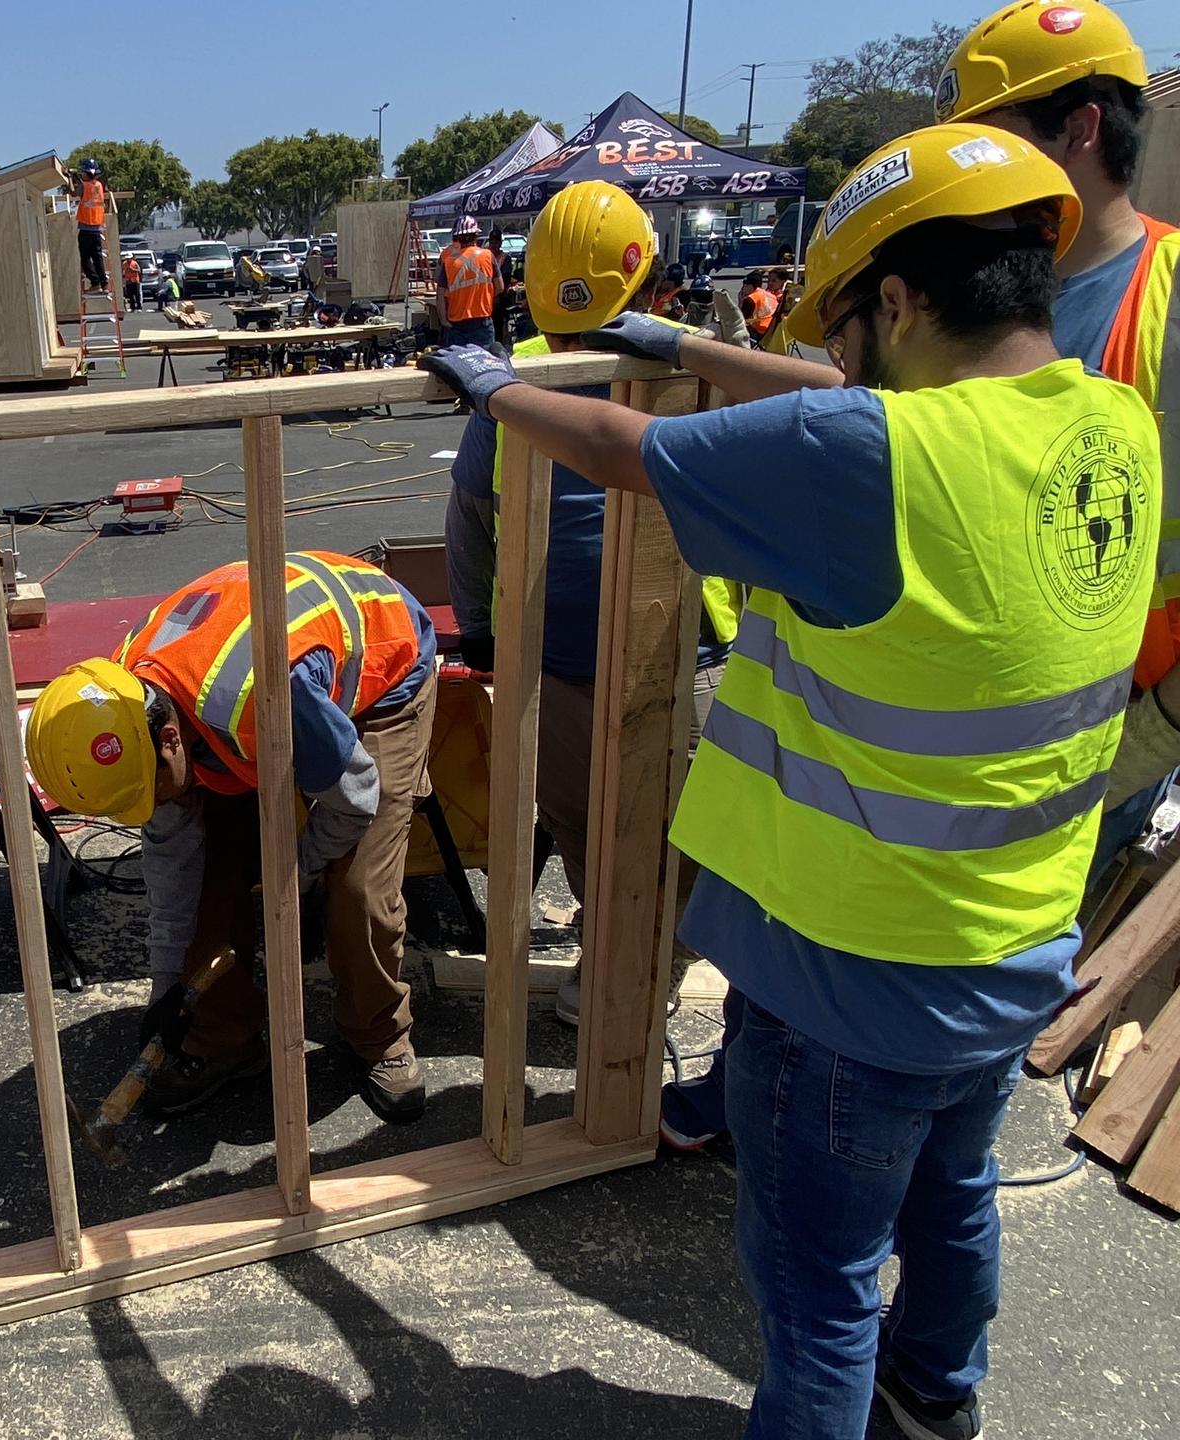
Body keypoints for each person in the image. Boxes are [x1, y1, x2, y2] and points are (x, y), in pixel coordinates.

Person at [424, 122, 1159, 1440]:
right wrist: (699, 352)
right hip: (1010, 948)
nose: (832, 358)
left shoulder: (865, 461)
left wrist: (492, 389)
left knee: (818, 1293)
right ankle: (937, 1404)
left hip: (850, 979)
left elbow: (621, 448)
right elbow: (870, 408)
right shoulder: (1114, 424)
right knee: (954, 1196)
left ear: (896, 297)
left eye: (847, 327)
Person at [443, 182, 737, 1026]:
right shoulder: (686, 367)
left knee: (617, 827)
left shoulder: (515, 380)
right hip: (665, 656)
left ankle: (638, 961)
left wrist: (483, 633)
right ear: (646, 280)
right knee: (637, 828)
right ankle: (630, 947)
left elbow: (467, 519)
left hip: (605, 657)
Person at [25, 551, 440, 1122]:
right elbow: (173, 872)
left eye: (153, 793)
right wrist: (167, 988)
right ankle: (223, 1041)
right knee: (210, 883)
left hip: (382, 661)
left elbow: (355, 797)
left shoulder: (267, 698)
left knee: (358, 890)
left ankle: (377, 1032)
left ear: (170, 739)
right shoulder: (124, 704)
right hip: (256, 683)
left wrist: (297, 877)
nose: (155, 810)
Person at [939, 0, 1180, 874]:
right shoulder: (978, 293)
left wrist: (1139, 754)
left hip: (1097, 760)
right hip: (953, 741)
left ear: (1079, 128)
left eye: (990, 141)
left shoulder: (1167, 300)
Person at [435, 215, 501, 347]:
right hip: (482, 322)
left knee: (459, 365)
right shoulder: (488, 256)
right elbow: (499, 287)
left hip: (457, 325)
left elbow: (440, 295)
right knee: (485, 364)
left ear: (457, 237)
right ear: (476, 235)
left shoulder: (448, 262)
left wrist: (444, 321)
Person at [70, 157, 109, 292]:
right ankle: (104, 284)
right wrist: (77, 178)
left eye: (82, 173)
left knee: (85, 258)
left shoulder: (84, 186)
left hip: (86, 227)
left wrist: (70, 179)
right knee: (97, 258)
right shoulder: (98, 185)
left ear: (86, 173)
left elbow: (74, 193)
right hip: (97, 227)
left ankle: (95, 282)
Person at [739, 268, 779, 340]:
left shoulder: (751, 299)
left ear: (754, 286)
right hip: (773, 331)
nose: (743, 287)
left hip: (759, 332)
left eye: (746, 285)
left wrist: (741, 302)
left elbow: (740, 318)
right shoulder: (771, 295)